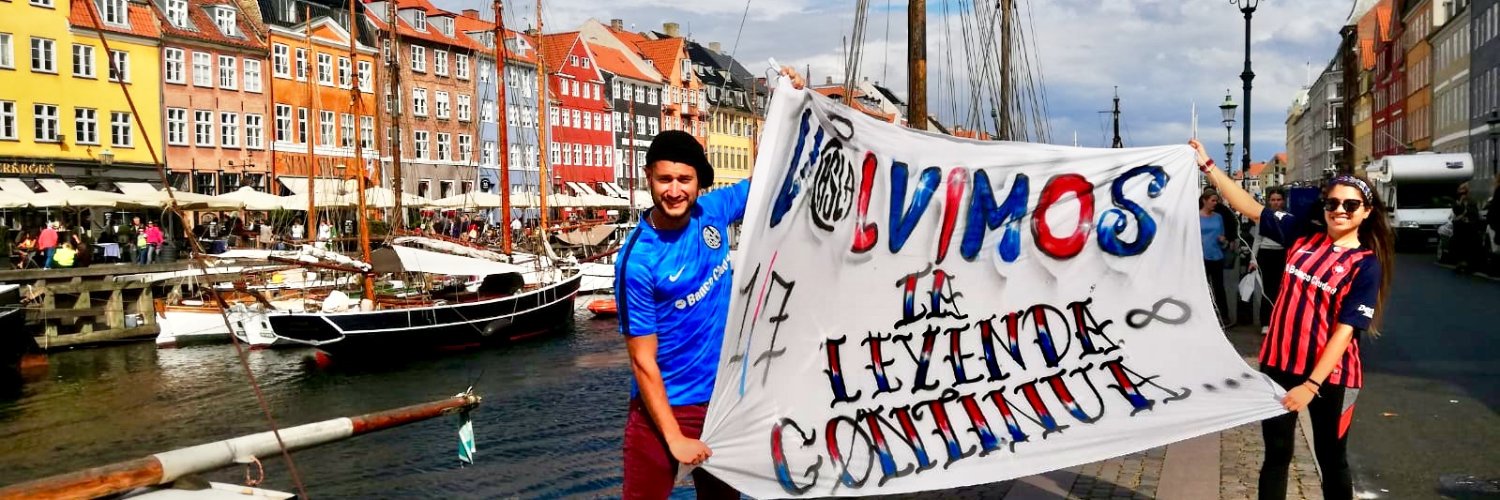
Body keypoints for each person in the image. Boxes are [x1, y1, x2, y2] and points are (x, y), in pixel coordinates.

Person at [1192, 139, 1391, 500]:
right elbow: (1251, 208)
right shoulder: (1303, 235)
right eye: (1332, 203)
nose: (1340, 210)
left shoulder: (1365, 264)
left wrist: (1311, 386)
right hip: (1279, 365)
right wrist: (1208, 166)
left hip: (1331, 378)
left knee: (1332, 460)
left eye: (1350, 205)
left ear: (1366, 212)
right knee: (1277, 455)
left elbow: (1345, 332)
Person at [1250, 188, 1289, 333]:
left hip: (1282, 254)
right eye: (1273, 200)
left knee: (1282, 289)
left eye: (1278, 199)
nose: (1276, 202)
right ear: (1269, 201)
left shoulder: (1289, 217)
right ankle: (1265, 322)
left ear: (1283, 201)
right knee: (1267, 289)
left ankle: (1279, 320)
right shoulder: (1263, 217)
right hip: (1266, 254)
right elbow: (1257, 240)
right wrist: (1253, 259)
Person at [1200, 192, 1230, 327]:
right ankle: (1204, 315)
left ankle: (1224, 316)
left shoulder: (1218, 217)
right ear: (1204, 201)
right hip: (1201, 257)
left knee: (1219, 287)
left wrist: (1224, 240)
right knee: (1203, 287)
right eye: (1212, 201)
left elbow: (1223, 236)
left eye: (1216, 201)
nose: (1215, 203)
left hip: (1217, 255)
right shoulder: (1196, 217)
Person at [1451, 182, 1481, 273]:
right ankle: (1460, 263)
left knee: (1468, 246)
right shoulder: (1456, 202)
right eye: (1460, 191)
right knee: (1459, 245)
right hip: (1459, 228)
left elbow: (1474, 214)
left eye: (1464, 191)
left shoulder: (1472, 202)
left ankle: (1468, 264)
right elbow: (1456, 211)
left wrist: (1468, 219)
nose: (1462, 194)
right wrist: (1460, 203)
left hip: (1469, 228)